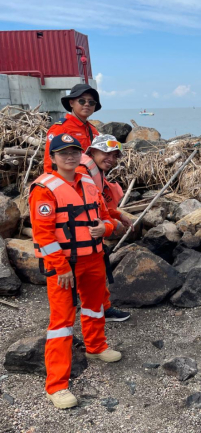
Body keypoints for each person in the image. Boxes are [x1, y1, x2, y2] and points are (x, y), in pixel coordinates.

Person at [29, 134, 122, 409]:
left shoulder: (89, 184)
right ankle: (56, 385)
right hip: (63, 265)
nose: (69, 157)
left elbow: (106, 218)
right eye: (63, 153)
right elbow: (43, 235)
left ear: (80, 154)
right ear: (53, 157)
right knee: (61, 323)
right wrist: (61, 267)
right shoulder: (43, 189)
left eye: (74, 152)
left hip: (93, 258)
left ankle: (96, 347)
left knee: (95, 306)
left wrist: (103, 229)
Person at [77, 134, 133, 322]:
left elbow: (100, 204)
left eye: (115, 155)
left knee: (98, 275)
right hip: (80, 239)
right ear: (92, 151)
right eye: (106, 153)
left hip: (91, 237)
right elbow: (89, 209)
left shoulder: (94, 172)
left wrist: (118, 215)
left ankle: (104, 309)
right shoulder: (81, 173)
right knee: (84, 284)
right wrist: (111, 225)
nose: (111, 159)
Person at [44, 84, 101, 174]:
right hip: (69, 180)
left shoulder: (93, 130)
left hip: (90, 180)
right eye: (82, 101)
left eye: (91, 102)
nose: (87, 104)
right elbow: (49, 163)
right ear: (71, 103)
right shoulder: (60, 128)